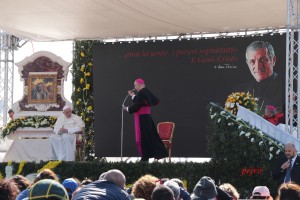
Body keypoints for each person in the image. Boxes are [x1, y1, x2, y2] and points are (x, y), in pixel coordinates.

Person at [123, 78, 168, 162]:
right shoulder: (145, 92)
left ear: (139, 85)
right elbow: (140, 102)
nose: (135, 87)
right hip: (146, 117)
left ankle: (145, 157)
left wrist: (127, 108)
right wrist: (132, 96)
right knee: (149, 136)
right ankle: (147, 156)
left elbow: (137, 106)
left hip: (142, 118)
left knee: (143, 138)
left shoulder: (142, 93)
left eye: (135, 85)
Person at [237, 41, 284, 109]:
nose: (258, 66)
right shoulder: (240, 90)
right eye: (252, 61)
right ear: (247, 64)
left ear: (273, 60)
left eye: (263, 60)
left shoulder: (286, 87)